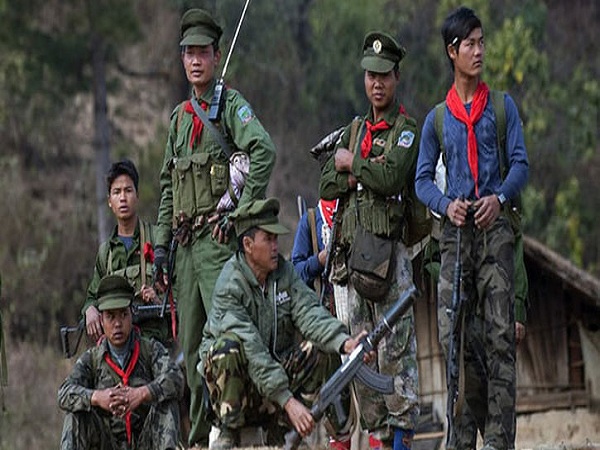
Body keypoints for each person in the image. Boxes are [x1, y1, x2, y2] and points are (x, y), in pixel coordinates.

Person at [153, 8, 276, 448]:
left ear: (216, 55)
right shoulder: (179, 119)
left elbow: (263, 151)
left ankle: (240, 432)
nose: (195, 60)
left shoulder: (230, 107)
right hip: (185, 252)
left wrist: (240, 214)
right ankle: (202, 438)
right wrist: (161, 247)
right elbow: (168, 186)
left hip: (219, 246)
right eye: (188, 53)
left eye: (202, 52)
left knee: (228, 343)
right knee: (190, 354)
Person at [414, 7, 529, 450]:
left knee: (500, 340)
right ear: (452, 52)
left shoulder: (502, 107)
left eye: (482, 42)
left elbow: (520, 164)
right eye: (470, 44)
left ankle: (499, 441)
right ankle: (461, 439)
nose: (479, 51)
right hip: (455, 236)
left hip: (495, 232)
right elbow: (423, 180)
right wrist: (447, 206)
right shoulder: (437, 120)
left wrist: (498, 198)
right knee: (454, 341)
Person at [319, 31, 420, 450]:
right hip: (354, 264)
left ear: (396, 77)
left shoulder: (405, 131)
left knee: (397, 359)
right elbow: (326, 182)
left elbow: (392, 176)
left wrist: (353, 164)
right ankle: (377, 439)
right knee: (361, 361)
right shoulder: (355, 129)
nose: (376, 83)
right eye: (370, 75)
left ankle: (401, 440)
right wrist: (356, 170)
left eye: (384, 75)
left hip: (391, 260)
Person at [198, 198, 367, 450]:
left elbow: (310, 313)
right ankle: (230, 429)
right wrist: (287, 400)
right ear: (248, 245)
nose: (276, 246)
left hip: (273, 379)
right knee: (227, 348)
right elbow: (252, 349)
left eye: (276, 238)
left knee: (320, 347)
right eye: (268, 239)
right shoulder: (230, 285)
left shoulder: (284, 273)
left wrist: (346, 343)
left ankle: (288, 428)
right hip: (242, 389)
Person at [58, 275, 184, 450]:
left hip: (146, 441)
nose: (117, 324)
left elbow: (176, 378)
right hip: (107, 442)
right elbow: (64, 393)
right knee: (76, 413)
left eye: (123, 315)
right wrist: (97, 397)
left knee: (167, 401)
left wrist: (141, 394)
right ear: (101, 320)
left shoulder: (149, 350)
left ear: (132, 315)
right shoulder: (92, 359)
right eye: (110, 316)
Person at [82, 159, 170, 347]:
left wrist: (158, 300)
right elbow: (92, 296)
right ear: (109, 201)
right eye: (116, 192)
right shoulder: (106, 253)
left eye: (128, 191)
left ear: (137, 196)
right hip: (117, 348)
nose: (122, 198)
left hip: (153, 343)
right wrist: (89, 310)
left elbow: (180, 295)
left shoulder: (158, 240)